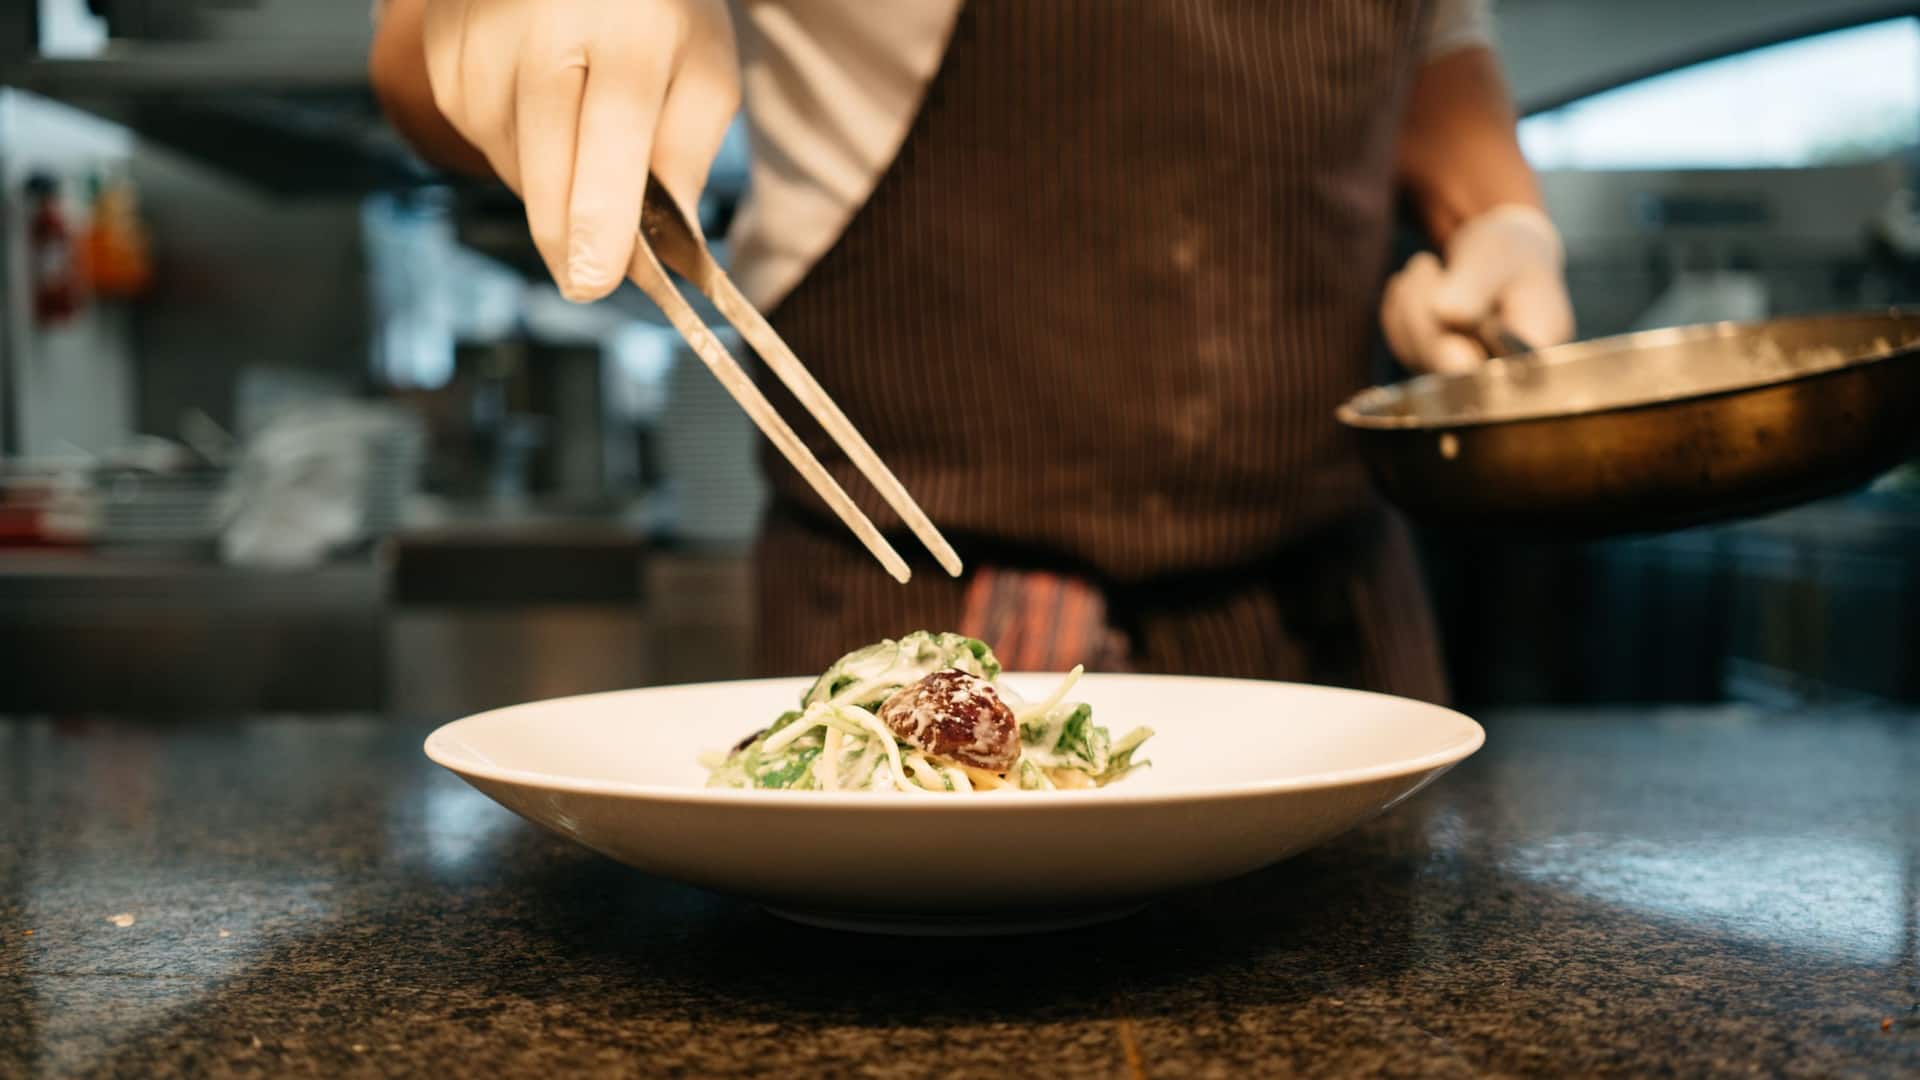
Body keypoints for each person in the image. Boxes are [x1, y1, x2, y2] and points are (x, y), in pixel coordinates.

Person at [370, 0, 1574, 701]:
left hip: (1324, 609)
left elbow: (1433, 39)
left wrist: (1500, 219)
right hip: (917, 612)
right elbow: (412, 59)